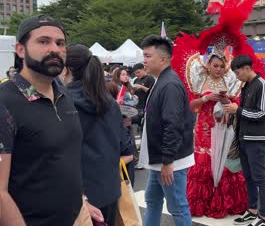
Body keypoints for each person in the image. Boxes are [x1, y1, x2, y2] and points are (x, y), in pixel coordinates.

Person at [0, 15, 85, 225]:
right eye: (43, 41)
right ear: (21, 50)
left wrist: (82, 203)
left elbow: (63, 160)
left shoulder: (63, 95)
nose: (54, 49)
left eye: (60, 43)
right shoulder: (5, 103)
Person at [63, 44, 135, 226]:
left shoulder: (63, 102)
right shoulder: (110, 101)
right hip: (110, 188)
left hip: (79, 194)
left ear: (67, 69)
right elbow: (125, 145)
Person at [138, 35, 194, 226]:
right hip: (160, 158)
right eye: (143, 55)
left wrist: (168, 160)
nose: (144, 60)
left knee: (177, 206)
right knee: (152, 200)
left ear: (162, 59)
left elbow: (173, 124)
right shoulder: (160, 80)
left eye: (147, 55)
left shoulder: (169, 83)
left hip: (170, 161)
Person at [184, 50, 247, 218]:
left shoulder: (230, 81)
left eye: (221, 66)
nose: (218, 69)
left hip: (223, 126)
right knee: (204, 163)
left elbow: (235, 105)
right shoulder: (200, 80)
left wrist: (227, 101)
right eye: (215, 66)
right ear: (208, 65)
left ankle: (224, 201)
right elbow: (191, 105)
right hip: (204, 128)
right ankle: (201, 202)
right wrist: (206, 98)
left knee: (224, 160)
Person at [224, 55, 265, 226]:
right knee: (248, 176)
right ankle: (252, 210)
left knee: (259, 177)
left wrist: (237, 110)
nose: (237, 76)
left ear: (246, 68)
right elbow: (244, 111)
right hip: (244, 137)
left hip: (256, 138)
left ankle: (264, 216)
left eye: (237, 73)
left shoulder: (262, 85)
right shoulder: (246, 85)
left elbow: (261, 114)